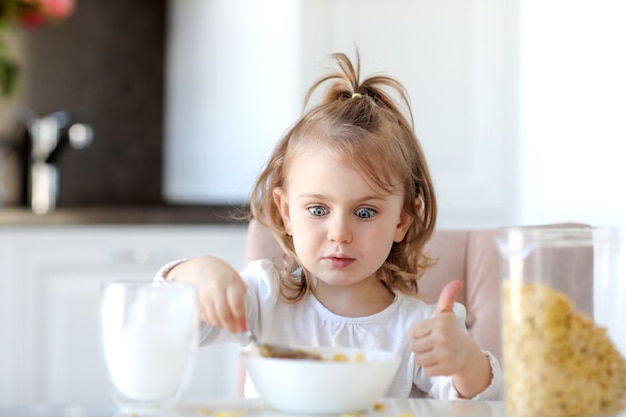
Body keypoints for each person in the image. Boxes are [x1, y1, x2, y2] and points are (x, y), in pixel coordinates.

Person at [155, 51, 503, 400]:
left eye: (365, 213)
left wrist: (465, 361)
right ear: (287, 212)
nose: (340, 233)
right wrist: (196, 275)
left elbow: (478, 402)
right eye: (318, 210)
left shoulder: (418, 326)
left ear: (401, 221)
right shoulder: (263, 299)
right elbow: (165, 323)